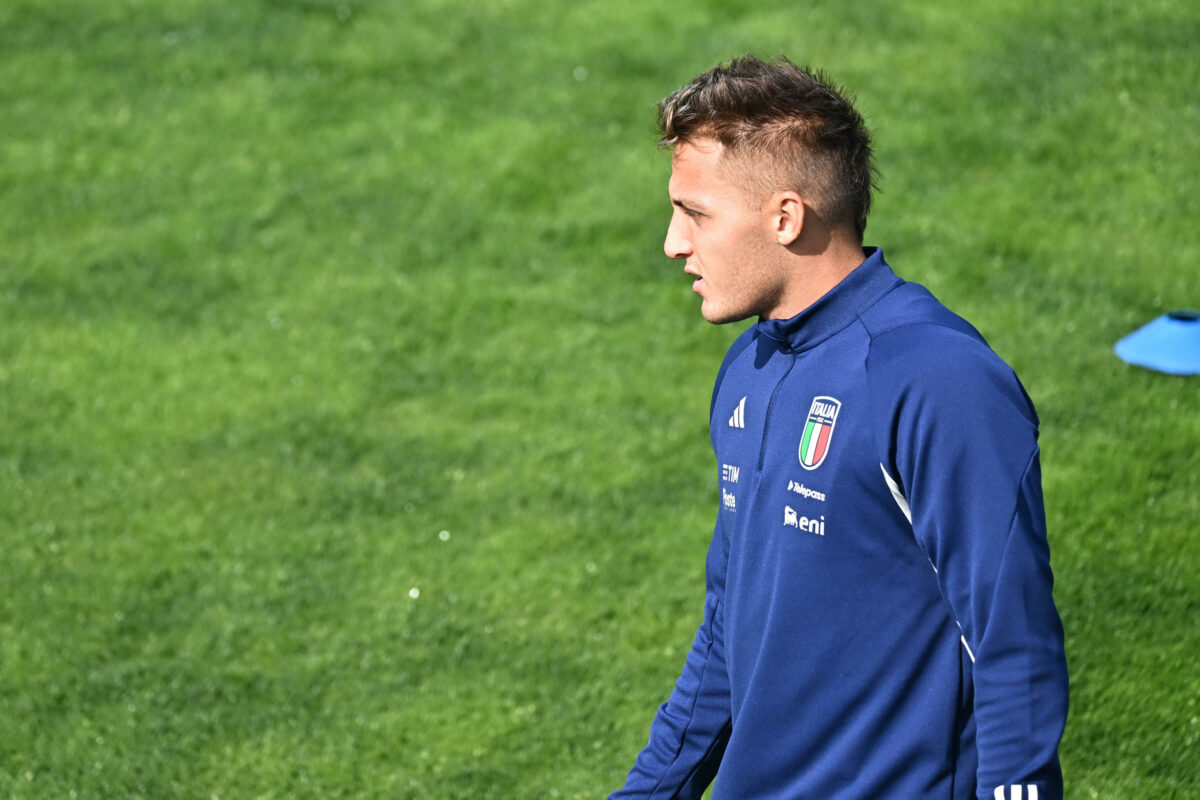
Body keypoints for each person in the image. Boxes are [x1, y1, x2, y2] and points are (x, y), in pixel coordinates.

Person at [609, 55, 1069, 800]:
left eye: (695, 214)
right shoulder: (751, 367)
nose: (673, 242)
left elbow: (1012, 642)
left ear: (785, 217)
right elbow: (729, 626)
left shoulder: (936, 381)